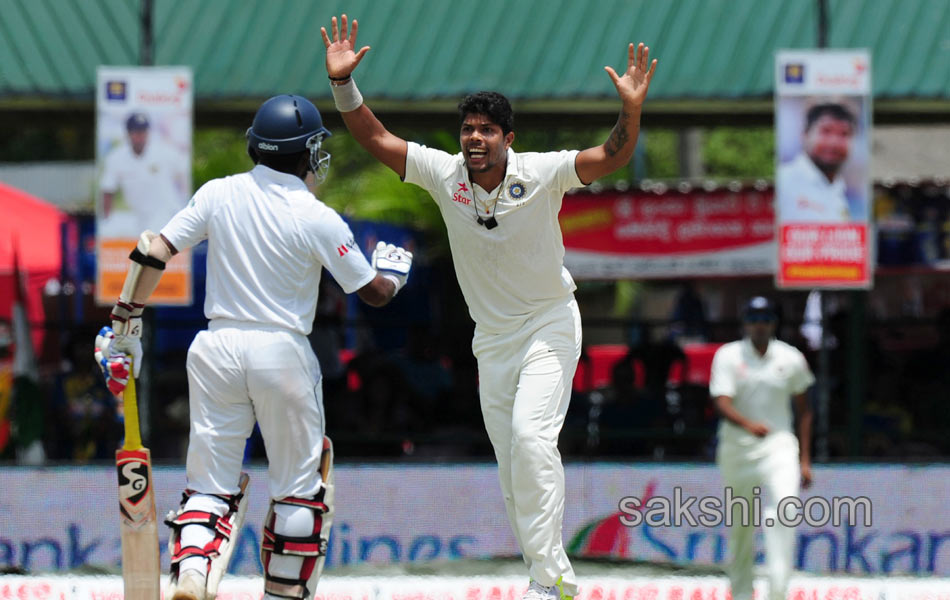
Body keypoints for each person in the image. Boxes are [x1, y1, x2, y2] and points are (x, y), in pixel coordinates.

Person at [321, 14, 657, 600]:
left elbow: (611, 157)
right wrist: (343, 85)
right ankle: (540, 574)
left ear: (507, 137)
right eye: (468, 129)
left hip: (550, 323)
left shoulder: (542, 172)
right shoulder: (443, 172)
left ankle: (554, 579)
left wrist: (629, 110)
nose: (474, 138)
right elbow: (375, 139)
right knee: (511, 466)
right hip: (493, 339)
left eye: (486, 130)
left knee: (532, 440)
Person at [94, 94, 413, 600]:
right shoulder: (315, 214)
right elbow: (372, 293)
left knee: (209, 485)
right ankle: (281, 595)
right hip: (282, 350)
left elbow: (154, 248)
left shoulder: (218, 193)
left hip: (215, 346)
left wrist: (125, 320)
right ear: (308, 152)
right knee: (299, 490)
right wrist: (395, 275)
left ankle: (194, 576)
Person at [709, 296, 815, 600]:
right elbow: (721, 401)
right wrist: (748, 424)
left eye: (765, 319)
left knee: (785, 509)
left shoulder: (790, 357)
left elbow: (804, 409)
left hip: (779, 445)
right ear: (745, 323)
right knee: (741, 524)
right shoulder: (728, 356)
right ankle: (742, 593)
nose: (759, 325)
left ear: (773, 323)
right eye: (754, 319)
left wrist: (805, 460)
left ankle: (778, 592)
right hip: (737, 448)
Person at [99, 112, 189, 236]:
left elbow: (183, 175)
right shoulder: (116, 157)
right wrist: (107, 220)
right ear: (128, 133)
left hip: (165, 213)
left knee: (155, 250)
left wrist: (184, 203)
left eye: (143, 131)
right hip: (137, 216)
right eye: (136, 132)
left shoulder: (164, 152)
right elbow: (108, 189)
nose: (140, 136)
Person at [776, 101, 857, 223]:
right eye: (826, 131)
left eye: (844, 134)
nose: (834, 143)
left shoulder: (839, 191)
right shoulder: (783, 181)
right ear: (804, 135)